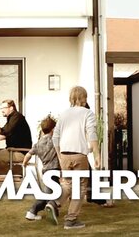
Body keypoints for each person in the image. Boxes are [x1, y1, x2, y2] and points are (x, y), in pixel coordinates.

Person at [45, 86, 100, 230]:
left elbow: (55, 137)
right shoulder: (88, 113)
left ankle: (54, 203)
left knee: (67, 185)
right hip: (79, 155)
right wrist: (97, 154)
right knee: (80, 188)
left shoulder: (63, 115)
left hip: (64, 154)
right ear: (84, 98)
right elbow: (92, 134)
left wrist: (59, 155)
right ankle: (71, 220)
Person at [23, 115, 60, 221]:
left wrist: (24, 163)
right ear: (53, 129)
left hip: (45, 170)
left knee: (52, 193)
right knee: (48, 195)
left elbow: (29, 154)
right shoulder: (54, 141)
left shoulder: (38, 143)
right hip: (54, 169)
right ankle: (32, 211)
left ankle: (53, 210)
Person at [0, 99, 32, 174]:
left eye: (4, 108)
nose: (2, 110)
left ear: (11, 108)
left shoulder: (17, 117)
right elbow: (3, 132)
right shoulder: (11, 118)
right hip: (13, 150)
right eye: (1, 108)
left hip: (21, 152)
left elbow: (5, 133)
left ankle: (13, 173)